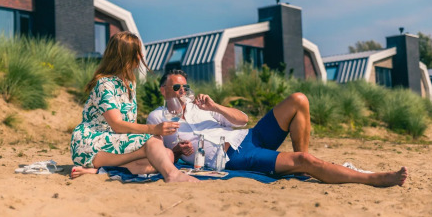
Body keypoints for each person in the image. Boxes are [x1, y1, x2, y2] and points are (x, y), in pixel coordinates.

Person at [146, 69, 408, 187]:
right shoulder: (156, 117)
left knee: (298, 99)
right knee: (304, 159)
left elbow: (242, 120)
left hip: (249, 136)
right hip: (231, 156)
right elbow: (163, 153)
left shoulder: (202, 106)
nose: (183, 92)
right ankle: (374, 178)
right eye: (177, 87)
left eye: (186, 87)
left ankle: (301, 169)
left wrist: (215, 107)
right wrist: (180, 152)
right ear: (164, 90)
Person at [70, 32, 198, 183]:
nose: (140, 57)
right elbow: (117, 125)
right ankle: (172, 175)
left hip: (116, 142)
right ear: (125, 56)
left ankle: (99, 171)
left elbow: (130, 125)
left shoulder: (130, 83)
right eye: (137, 53)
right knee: (154, 141)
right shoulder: (105, 84)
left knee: (168, 155)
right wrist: (154, 129)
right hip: (93, 144)